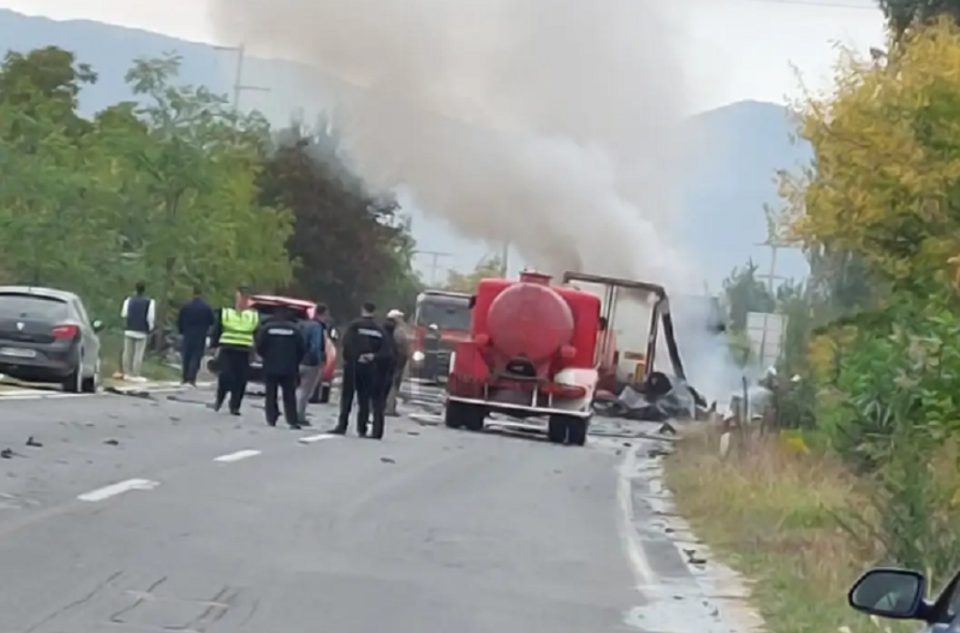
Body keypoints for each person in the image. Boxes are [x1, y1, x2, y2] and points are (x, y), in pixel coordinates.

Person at [333, 302, 392, 438]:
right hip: (370, 369)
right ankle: (362, 428)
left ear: (362, 310)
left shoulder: (354, 326)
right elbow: (386, 352)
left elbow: (346, 344)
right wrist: (372, 356)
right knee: (364, 400)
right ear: (374, 312)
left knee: (347, 397)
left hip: (352, 367)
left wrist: (353, 358)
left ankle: (342, 425)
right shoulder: (379, 330)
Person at [211, 286, 260, 415]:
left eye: (244, 299)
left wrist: (256, 352)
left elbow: (257, 334)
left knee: (241, 380)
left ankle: (235, 406)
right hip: (228, 350)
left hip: (244, 352)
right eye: (239, 298)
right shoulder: (226, 313)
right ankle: (220, 399)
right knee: (226, 376)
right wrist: (214, 348)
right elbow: (217, 331)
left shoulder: (253, 316)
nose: (241, 301)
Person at [255, 306, 306, 429]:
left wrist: (266, 357)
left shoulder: (267, 329)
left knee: (270, 393)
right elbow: (302, 349)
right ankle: (292, 420)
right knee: (289, 395)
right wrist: (295, 361)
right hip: (289, 367)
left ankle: (271, 417)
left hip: (270, 365)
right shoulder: (295, 330)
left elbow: (259, 346)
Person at [176, 285, 215, 387]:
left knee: (186, 356)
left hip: (187, 334)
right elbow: (212, 321)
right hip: (200, 335)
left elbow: (179, 320)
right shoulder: (206, 308)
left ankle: (184, 377)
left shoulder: (186, 306)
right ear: (201, 294)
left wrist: (181, 331)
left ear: (193, 293)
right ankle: (191, 378)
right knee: (196, 357)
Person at [296, 305, 328, 425]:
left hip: (299, 361)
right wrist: (319, 360)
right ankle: (300, 415)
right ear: (322, 314)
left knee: (298, 389)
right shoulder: (317, 327)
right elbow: (315, 346)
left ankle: (294, 412)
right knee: (306, 391)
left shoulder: (303, 325)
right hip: (311, 363)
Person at [120, 281, 155, 382]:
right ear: (144, 290)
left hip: (129, 328)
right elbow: (150, 317)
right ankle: (136, 373)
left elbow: (124, 314)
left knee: (127, 352)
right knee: (138, 353)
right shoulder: (150, 302)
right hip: (141, 330)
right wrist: (150, 328)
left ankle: (127, 372)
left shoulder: (129, 300)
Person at [384, 309, 410, 417]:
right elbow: (402, 346)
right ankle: (389, 408)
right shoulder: (398, 331)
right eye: (400, 317)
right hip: (397, 360)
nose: (402, 320)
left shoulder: (389, 329)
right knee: (393, 384)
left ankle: (388, 406)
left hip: (392, 359)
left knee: (390, 383)